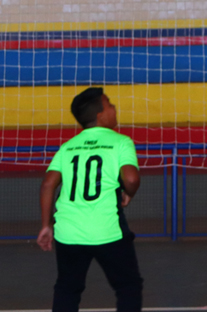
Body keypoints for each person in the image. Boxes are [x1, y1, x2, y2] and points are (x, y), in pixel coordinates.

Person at [37, 87, 143, 312]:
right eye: (109, 104)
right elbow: (131, 178)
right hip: (108, 230)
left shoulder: (67, 147)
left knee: (67, 288)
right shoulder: (120, 142)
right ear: (101, 115)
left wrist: (46, 226)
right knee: (128, 286)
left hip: (68, 231)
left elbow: (47, 184)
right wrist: (128, 193)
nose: (114, 108)